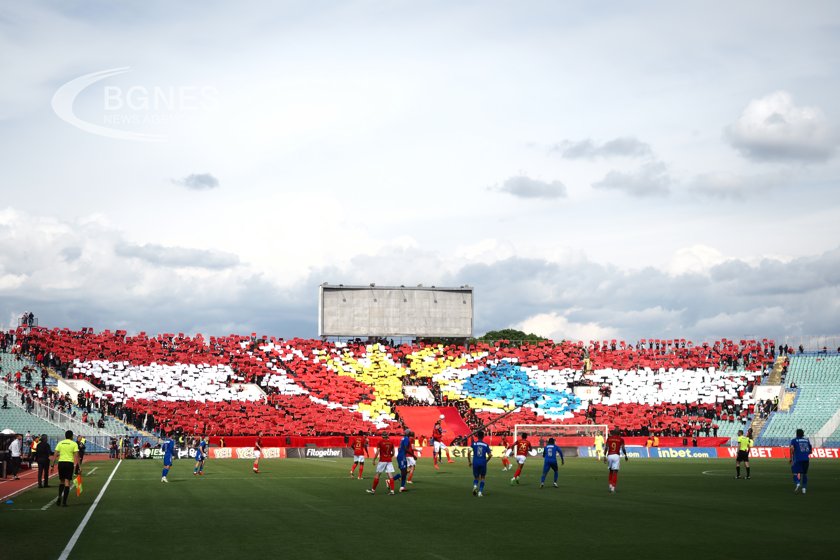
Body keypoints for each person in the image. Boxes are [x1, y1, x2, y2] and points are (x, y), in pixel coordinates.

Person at [51, 430, 79, 507]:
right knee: (67, 482)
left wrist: (52, 465)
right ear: (71, 436)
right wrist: (79, 466)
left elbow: (55, 455)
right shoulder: (74, 443)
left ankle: (59, 496)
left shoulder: (60, 443)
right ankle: (64, 502)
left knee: (62, 481)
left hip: (61, 463)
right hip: (69, 463)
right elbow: (77, 455)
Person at [790, 428, 812, 494]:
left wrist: (791, 458)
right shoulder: (806, 440)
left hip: (798, 459)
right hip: (806, 459)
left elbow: (792, 449)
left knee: (795, 472)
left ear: (796, 433)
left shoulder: (794, 440)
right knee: (804, 474)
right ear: (803, 434)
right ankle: (804, 488)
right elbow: (810, 451)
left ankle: (798, 483)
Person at [470, 430, 492, 497]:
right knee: (483, 477)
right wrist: (486, 461)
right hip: (483, 462)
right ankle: (480, 492)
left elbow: (469, 452)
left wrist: (469, 461)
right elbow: (490, 455)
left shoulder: (474, 444)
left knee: (476, 477)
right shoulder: (486, 445)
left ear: (477, 436)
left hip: (475, 462)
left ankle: (475, 486)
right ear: (483, 436)